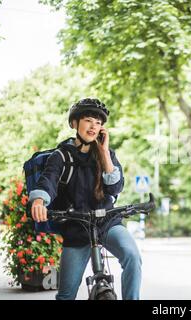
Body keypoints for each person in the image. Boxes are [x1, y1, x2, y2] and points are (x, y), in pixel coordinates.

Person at [29, 98, 142, 300]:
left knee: (132, 256)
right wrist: (39, 200)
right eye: (88, 120)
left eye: (98, 123)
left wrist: (105, 152)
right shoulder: (61, 156)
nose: (93, 126)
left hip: (107, 223)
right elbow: (48, 181)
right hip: (77, 228)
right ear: (74, 123)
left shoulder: (107, 155)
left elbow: (115, 187)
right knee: (66, 295)